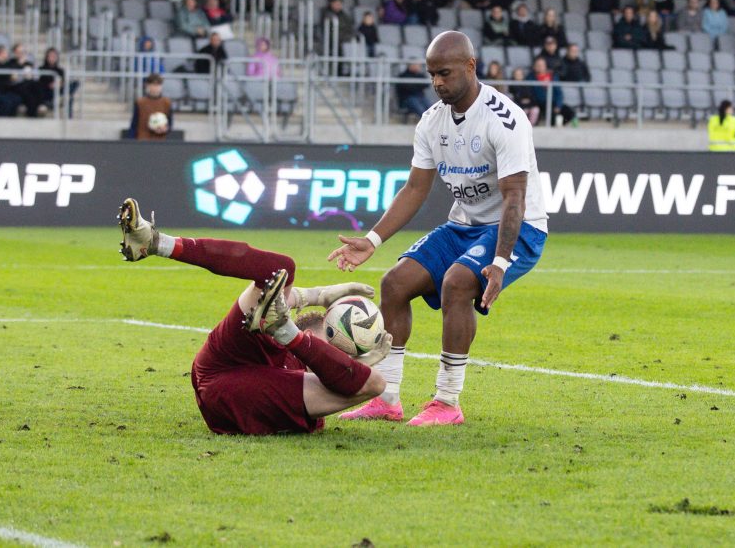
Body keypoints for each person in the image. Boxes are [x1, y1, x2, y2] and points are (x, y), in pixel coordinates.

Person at [329, 31, 548, 426]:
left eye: (444, 73)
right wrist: (372, 239)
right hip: (463, 223)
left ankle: (447, 402)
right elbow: (415, 188)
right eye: (431, 75)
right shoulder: (432, 121)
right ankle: (387, 398)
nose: (437, 83)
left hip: (518, 227)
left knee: (457, 282)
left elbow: (515, 196)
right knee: (394, 283)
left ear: (470, 66)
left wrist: (499, 261)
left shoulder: (505, 118)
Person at [116, 198, 389, 435]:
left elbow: (357, 379)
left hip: (238, 393)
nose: (332, 356)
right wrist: (320, 294)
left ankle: (285, 332)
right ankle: (156, 242)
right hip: (223, 369)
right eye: (330, 346)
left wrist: (359, 358)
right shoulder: (267, 328)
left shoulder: (296, 357)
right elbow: (282, 296)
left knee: (370, 382)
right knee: (281, 267)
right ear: (308, 328)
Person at [531, 57, 575, 126]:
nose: (540, 67)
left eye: (542, 65)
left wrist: (558, 105)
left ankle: (561, 125)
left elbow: (559, 92)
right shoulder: (530, 78)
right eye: (538, 65)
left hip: (553, 102)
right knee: (550, 114)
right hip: (541, 104)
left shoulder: (553, 76)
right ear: (534, 67)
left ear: (545, 66)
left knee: (569, 112)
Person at [127, 73, 172, 140]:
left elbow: (170, 122)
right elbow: (134, 124)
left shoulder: (166, 102)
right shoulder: (140, 102)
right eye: (153, 84)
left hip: (160, 141)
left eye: (158, 85)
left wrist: (165, 129)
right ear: (148, 85)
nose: (155, 87)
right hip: (143, 140)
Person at [39, 47, 78, 115]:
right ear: (46, 57)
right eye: (50, 56)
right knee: (68, 97)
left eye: (54, 56)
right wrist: (51, 85)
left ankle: (65, 95)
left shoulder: (60, 70)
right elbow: (40, 83)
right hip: (48, 92)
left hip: (59, 90)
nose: (52, 58)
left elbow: (63, 81)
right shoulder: (42, 69)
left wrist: (60, 84)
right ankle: (64, 95)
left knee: (75, 84)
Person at [7, 43, 43, 117]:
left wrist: (30, 75)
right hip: (16, 86)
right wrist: (20, 65)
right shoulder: (11, 63)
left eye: (23, 52)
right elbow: (13, 78)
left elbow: (36, 76)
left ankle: (37, 107)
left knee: (37, 86)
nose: (21, 54)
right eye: (18, 52)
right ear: (14, 53)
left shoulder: (29, 63)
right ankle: (32, 113)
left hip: (29, 84)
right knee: (28, 92)